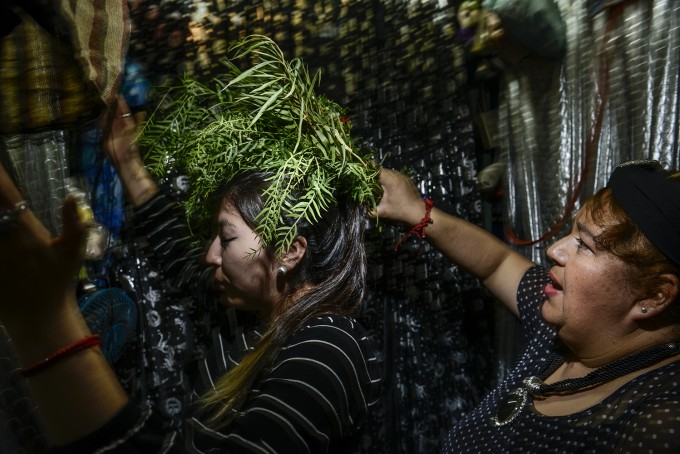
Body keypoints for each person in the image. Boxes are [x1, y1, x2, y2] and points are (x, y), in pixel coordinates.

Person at [0, 37, 381, 452]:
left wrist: (49, 319)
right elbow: (180, 254)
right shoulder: (256, 316)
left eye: (227, 237)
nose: (210, 254)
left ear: (291, 250)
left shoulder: (325, 351)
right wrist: (127, 163)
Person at [375, 162, 680, 452]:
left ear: (654, 295)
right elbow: (497, 263)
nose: (553, 250)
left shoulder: (658, 423)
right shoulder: (563, 328)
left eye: (585, 245)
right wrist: (414, 208)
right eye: (571, 233)